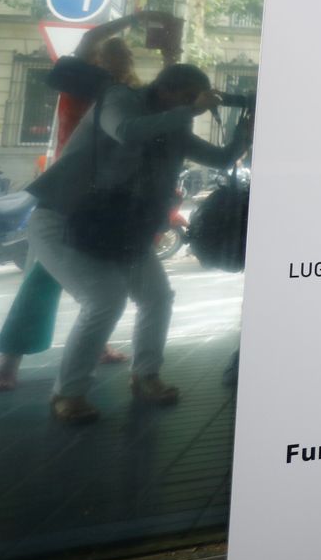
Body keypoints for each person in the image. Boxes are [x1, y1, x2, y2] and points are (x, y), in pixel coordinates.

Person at [26, 63, 252, 423]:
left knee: (157, 297)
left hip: (118, 226)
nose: (195, 107)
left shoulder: (173, 123)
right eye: (189, 98)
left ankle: (146, 375)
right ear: (165, 90)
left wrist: (244, 132)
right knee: (103, 300)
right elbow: (127, 132)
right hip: (64, 217)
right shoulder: (119, 99)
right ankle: (67, 394)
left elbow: (221, 159)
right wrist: (189, 110)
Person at [0, 14, 179, 392]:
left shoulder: (110, 90)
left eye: (118, 57)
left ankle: (23, 361)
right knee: (57, 279)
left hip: (97, 198)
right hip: (75, 196)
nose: (118, 62)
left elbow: (170, 96)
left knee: (86, 279)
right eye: (117, 57)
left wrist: (159, 42)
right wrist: (153, 34)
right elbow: (166, 95)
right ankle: (12, 363)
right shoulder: (95, 88)